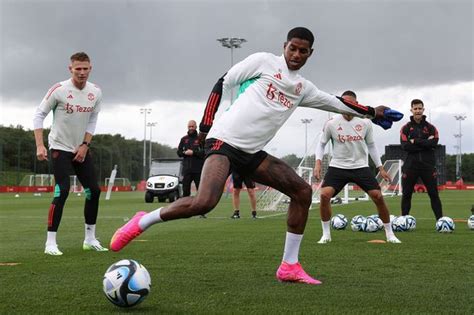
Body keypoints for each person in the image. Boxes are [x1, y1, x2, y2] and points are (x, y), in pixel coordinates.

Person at [111, 27, 400, 285]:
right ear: (284, 46)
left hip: (251, 153)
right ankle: (141, 221)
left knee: (301, 192)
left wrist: (374, 112)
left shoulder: (303, 88)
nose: (296, 54)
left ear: (310, 54)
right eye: (292, 48)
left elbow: (337, 103)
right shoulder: (264, 61)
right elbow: (223, 81)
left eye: (303, 51)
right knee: (205, 202)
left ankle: (289, 266)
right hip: (223, 142)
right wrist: (205, 126)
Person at [33, 52, 108, 255]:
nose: (82, 73)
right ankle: (50, 243)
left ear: (90, 68)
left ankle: (90, 239)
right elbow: (39, 115)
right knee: (62, 190)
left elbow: (93, 120)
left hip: (80, 149)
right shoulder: (59, 90)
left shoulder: (96, 92)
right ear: (70, 69)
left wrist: (85, 145)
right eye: (78, 69)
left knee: (94, 190)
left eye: (85, 69)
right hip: (59, 147)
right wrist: (40, 145)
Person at [313, 91, 401, 244]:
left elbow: (372, 146)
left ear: (357, 104)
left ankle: (390, 234)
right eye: (345, 103)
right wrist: (318, 163)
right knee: (324, 195)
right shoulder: (331, 122)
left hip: (360, 167)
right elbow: (321, 144)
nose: (348, 107)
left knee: (378, 196)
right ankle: (326, 235)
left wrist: (380, 167)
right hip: (338, 166)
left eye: (351, 104)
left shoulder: (365, 122)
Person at [400, 99, 443, 220]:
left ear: (423, 110)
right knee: (407, 195)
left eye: (420, 108)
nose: (418, 111)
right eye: (415, 108)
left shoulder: (431, 128)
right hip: (410, 166)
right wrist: (425, 142)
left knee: (434, 194)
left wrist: (415, 141)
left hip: (428, 166)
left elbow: (434, 143)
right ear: (411, 110)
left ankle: (440, 221)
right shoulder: (405, 128)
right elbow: (405, 146)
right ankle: (404, 221)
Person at [177, 120, 206, 218]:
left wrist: (193, 153)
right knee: (186, 191)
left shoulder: (201, 139)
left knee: (200, 191)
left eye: (192, 126)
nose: (191, 128)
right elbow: (179, 152)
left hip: (198, 170)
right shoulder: (183, 139)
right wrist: (185, 153)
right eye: (189, 126)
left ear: (196, 127)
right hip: (187, 170)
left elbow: (205, 153)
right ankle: (185, 212)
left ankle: (202, 212)